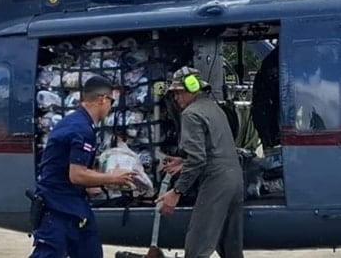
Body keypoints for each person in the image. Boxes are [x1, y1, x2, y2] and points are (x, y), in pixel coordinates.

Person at [30, 75, 137, 258]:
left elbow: (69, 170)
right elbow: (77, 175)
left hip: (74, 205)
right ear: (102, 99)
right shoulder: (81, 129)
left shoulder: (77, 122)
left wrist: (93, 182)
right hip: (58, 208)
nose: (111, 107)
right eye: (111, 101)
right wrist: (113, 177)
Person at [157, 67, 244, 258]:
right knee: (231, 250)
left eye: (179, 93)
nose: (176, 98)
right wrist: (183, 160)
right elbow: (211, 149)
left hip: (216, 182)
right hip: (235, 180)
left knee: (197, 247)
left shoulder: (191, 114)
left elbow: (198, 160)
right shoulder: (214, 108)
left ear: (193, 88)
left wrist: (177, 191)